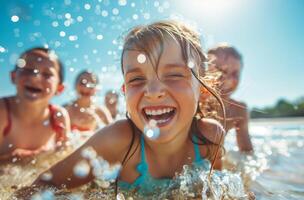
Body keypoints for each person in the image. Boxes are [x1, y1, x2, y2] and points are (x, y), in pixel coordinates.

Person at [16, 20, 225, 197]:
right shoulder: (119, 140)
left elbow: (215, 190)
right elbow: (36, 189)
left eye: (174, 75)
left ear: (204, 89)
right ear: (125, 91)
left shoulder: (210, 137)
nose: (152, 91)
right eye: (137, 79)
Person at [0, 47, 70, 161]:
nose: (35, 77)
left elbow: (64, 159)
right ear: (13, 76)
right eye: (28, 69)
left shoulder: (59, 117)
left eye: (47, 74)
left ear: (59, 88)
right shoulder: (2, 111)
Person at [201, 44, 253, 152]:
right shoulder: (195, 104)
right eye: (221, 71)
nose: (229, 80)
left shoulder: (239, 110)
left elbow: (247, 153)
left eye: (235, 74)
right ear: (204, 72)